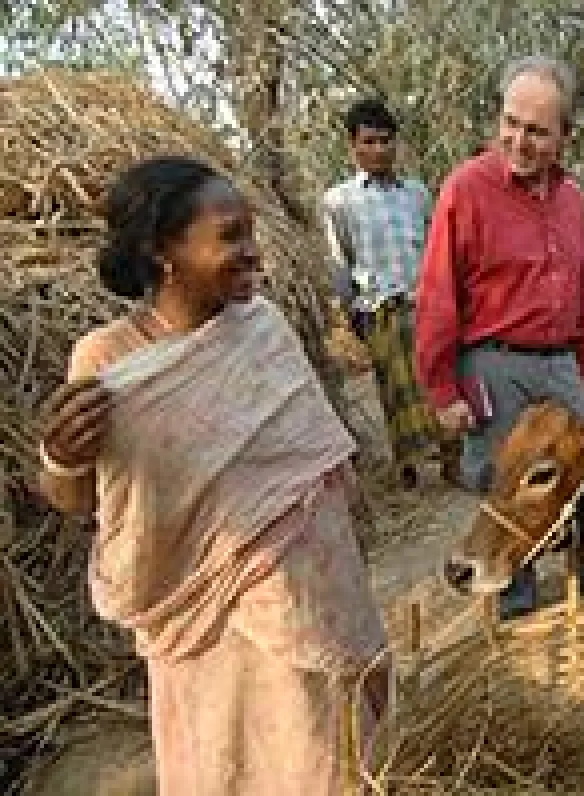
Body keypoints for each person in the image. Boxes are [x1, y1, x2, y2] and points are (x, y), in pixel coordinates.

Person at [37, 156, 388, 794]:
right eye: (231, 236)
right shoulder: (109, 358)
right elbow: (76, 500)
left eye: (250, 232)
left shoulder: (263, 330)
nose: (253, 252)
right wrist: (61, 457)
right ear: (162, 251)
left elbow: (317, 469)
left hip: (310, 602)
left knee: (325, 760)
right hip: (206, 634)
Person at [415, 55, 584, 616]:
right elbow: (436, 294)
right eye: (511, 123)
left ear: (565, 135)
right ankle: (516, 598)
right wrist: (444, 391)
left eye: (537, 130)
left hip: (560, 365)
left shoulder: (573, 201)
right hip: (493, 366)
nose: (518, 140)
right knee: (504, 481)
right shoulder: (466, 189)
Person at [322, 98, 445, 487]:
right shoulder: (340, 200)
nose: (379, 150)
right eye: (369, 141)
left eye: (386, 141)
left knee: (439, 378)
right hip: (379, 308)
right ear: (352, 146)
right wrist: (351, 311)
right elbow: (339, 259)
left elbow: (434, 247)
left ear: (397, 143)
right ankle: (407, 466)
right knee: (395, 391)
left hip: (424, 303)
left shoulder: (417, 193)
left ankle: (451, 461)